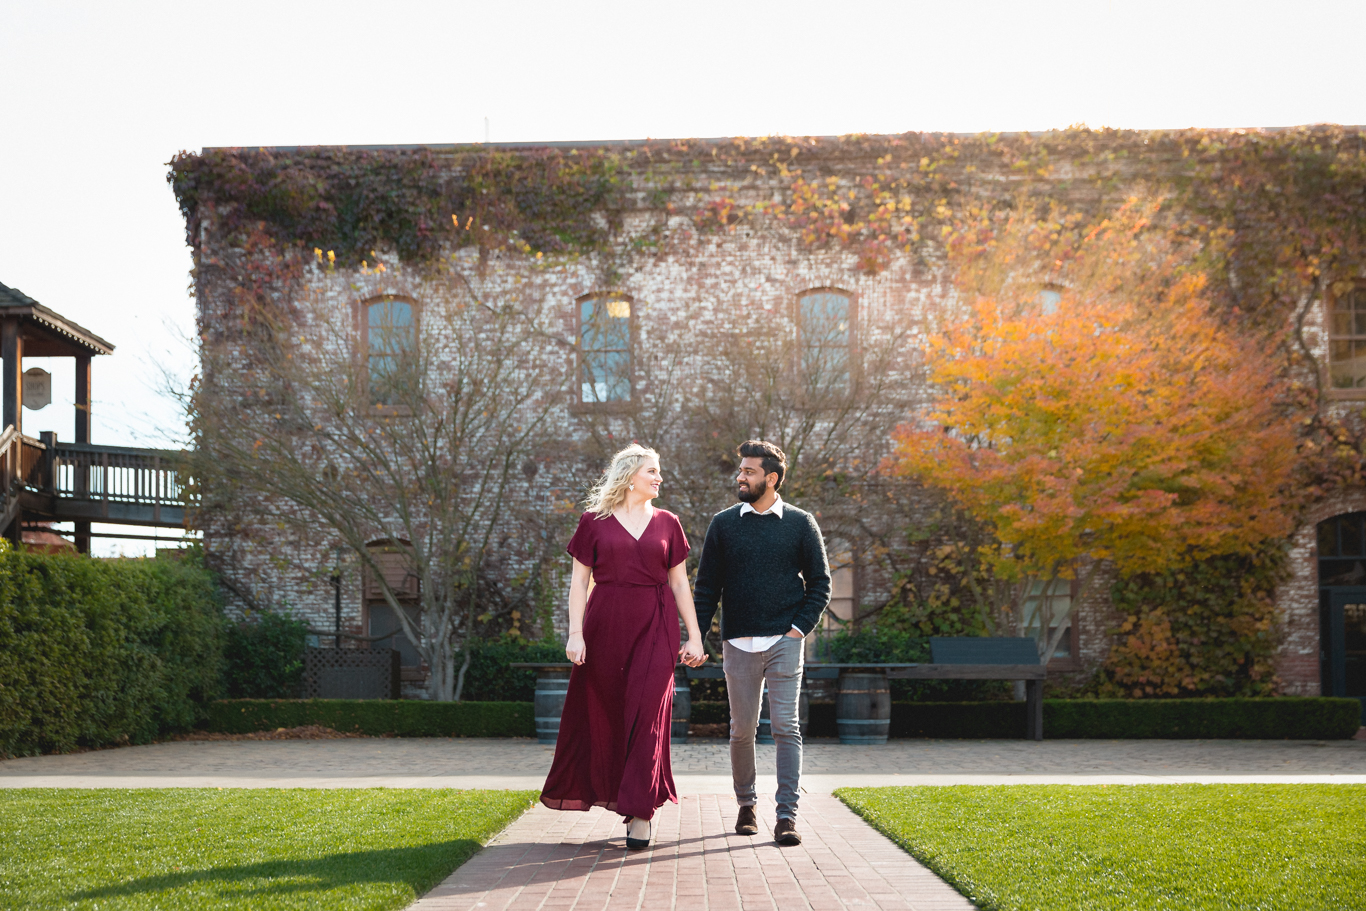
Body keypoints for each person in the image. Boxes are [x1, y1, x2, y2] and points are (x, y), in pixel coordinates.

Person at [539, 444, 708, 850]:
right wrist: (575, 633)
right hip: (604, 626)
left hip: (656, 623)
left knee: (648, 714)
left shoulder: (669, 523)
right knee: (610, 714)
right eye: (653, 470)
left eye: (659, 471)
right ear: (631, 475)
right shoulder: (593, 522)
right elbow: (579, 583)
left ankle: (640, 812)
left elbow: (680, 583)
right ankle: (621, 797)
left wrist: (696, 635)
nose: (659, 477)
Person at [692, 439, 831, 846]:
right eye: (741, 470)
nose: (740, 476)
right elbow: (706, 589)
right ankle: (746, 805)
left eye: (749, 471)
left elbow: (820, 584)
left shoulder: (801, 523)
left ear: (770, 478)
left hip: (785, 641)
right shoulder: (723, 524)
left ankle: (787, 816)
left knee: (787, 728)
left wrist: (798, 629)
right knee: (741, 730)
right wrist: (696, 638)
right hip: (738, 642)